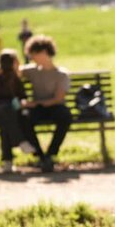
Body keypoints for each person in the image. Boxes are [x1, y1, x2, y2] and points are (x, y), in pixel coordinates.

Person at [20, 34, 72, 173]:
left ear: (43, 53)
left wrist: (33, 103)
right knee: (24, 119)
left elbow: (58, 99)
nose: (32, 58)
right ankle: (41, 157)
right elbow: (14, 70)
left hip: (54, 106)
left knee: (65, 116)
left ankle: (51, 154)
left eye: (33, 54)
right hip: (38, 108)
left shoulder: (61, 74)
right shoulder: (32, 70)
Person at [0, 49, 39, 173]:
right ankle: (20, 141)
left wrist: (23, 102)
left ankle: (7, 162)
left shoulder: (15, 80)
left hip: (9, 116)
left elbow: (22, 96)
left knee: (6, 124)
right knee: (7, 111)